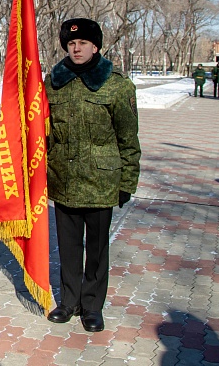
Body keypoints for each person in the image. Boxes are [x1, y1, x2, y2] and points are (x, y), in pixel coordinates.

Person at [45, 18, 141, 333]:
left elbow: (128, 139)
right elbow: (43, 132)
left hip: (101, 182)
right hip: (64, 177)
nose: (76, 48)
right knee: (68, 247)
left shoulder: (116, 84)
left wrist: (127, 182)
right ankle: (69, 302)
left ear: (95, 46)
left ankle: (92, 306)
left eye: (83, 43)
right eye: (71, 43)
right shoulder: (53, 82)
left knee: (97, 251)